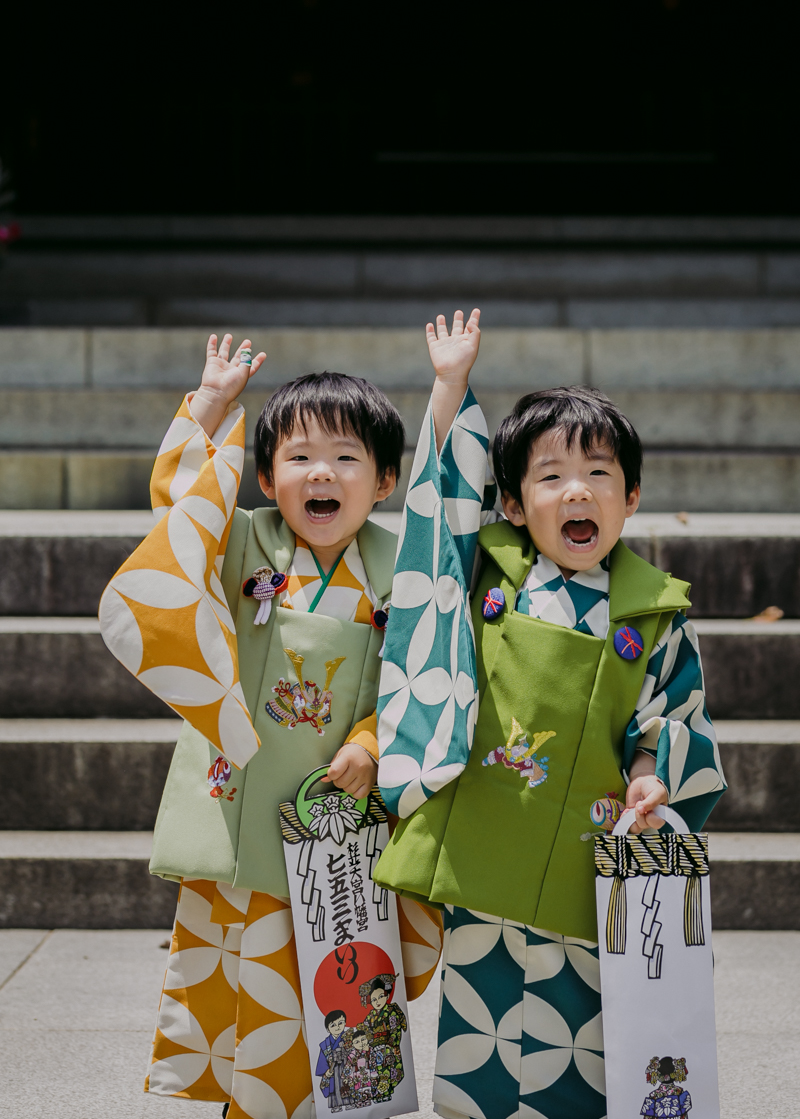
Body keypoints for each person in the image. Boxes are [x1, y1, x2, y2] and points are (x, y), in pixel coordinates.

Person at [374, 311, 726, 1119]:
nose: (578, 491)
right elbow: (438, 510)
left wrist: (650, 781)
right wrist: (449, 387)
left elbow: (667, 723)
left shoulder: (653, 614)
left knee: (585, 1030)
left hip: (588, 848)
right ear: (514, 501)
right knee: (482, 1027)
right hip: (489, 841)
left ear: (631, 497)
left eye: (600, 474)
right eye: (551, 476)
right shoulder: (488, 576)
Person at [99, 334, 443, 1119]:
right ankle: (251, 1107)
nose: (321, 474)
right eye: (298, 458)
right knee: (252, 981)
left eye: (347, 458)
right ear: (265, 478)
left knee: (340, 974)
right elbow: (182, 524)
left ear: (386, 480)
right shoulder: (246, 542)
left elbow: (426, 673)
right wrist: (211, 405)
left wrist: (372, 742)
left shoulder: (404, 569)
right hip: (241, 810)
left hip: (339, 818)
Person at [359, 974, 407, 1101]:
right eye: (374, 999)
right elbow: (365, 1028)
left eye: (381, 997)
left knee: (387, 1070)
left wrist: (392, 1044)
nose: (378, 1001)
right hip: (374, 1048)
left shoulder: (390, 1012)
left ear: (386, 995)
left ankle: (386, 1094)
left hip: (388, 1046)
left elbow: (395, 1029)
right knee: (376, 1072)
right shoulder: (371, 1015)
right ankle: (378, 1094)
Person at [317, 1010, 349, 1112]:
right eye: (333, 1025)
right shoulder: (325, 1044)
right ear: (328, 1029)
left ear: (345, 1023)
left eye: (340, 1023)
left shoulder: (349, 1038)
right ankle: (336, 1105)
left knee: (348, 1084)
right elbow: (322, 1060)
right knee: (334, 1086)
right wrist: (326, 1071)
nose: (337, 1027)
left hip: (346, 1067)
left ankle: (350, 1103)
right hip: (333, 1069)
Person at [341, 1027, 375, 1109]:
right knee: (358, 1089)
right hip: (357, 1075)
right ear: (352, 1044)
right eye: (357, 1042)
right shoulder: (353, 1054)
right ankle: (359, 1102)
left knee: (368, 1088)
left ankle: (368, 1100)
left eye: (363, 1039)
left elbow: (374, 1061)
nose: (361, 1043)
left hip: (367, 1073)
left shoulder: (369, 1050)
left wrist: (368, 1052)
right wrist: (345, 1076)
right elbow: (348, 1065)